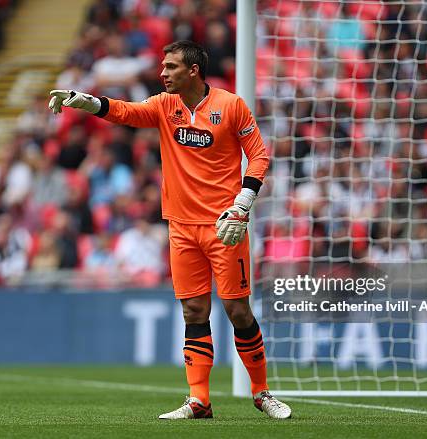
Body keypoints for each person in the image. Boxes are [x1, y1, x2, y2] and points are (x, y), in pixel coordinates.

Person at [48, 40, 291, 420]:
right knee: (194, 310)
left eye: (171, 67)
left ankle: (261, 393)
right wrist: (88, 102)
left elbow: (258, 154)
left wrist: (243, 202)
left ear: (193, 70)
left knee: (237, 311)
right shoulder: (164, 105)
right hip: (180, 227)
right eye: (163, 66)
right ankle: (199, 400)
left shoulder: (230, 106)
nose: (162, 73)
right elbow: (127, 112)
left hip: (225, 225)